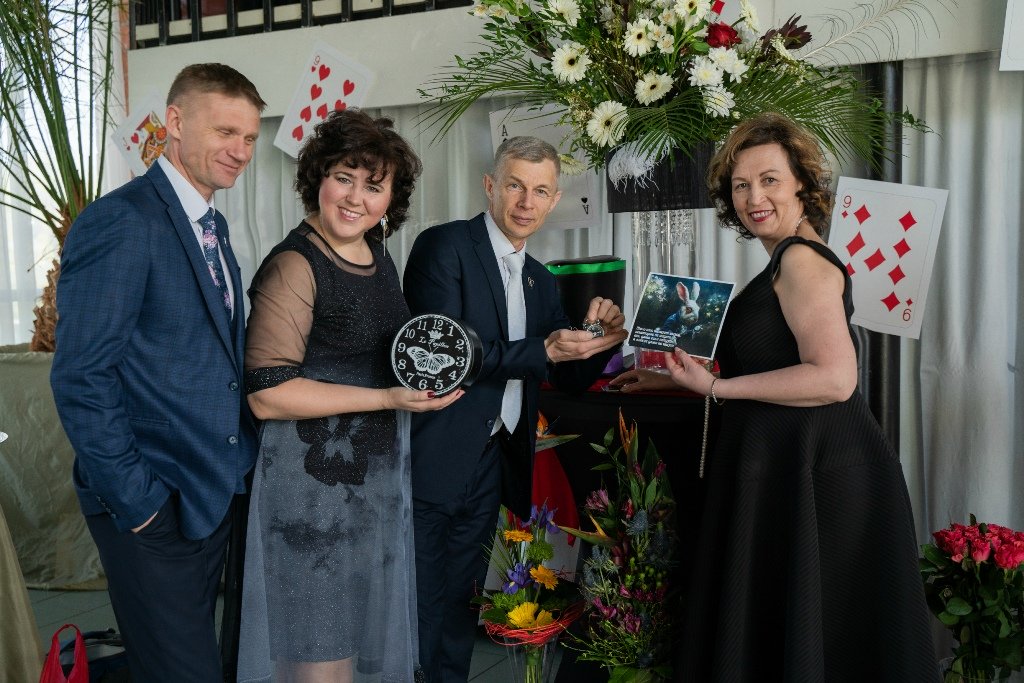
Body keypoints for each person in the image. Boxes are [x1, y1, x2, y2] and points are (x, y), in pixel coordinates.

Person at [614, 112, 937, 681]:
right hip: (793, 468)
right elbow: (773, 360)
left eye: (769, 180)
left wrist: (716, 387)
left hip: (819, 473)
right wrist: (677, 376)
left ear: (802, 185)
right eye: (740, 185)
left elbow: (834, 378)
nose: (753, 197)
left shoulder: (801, 260)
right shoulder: (786, 257)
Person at [50, 63, 265, 680]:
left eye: (250, 137)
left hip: (211, 492)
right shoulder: (121, 220)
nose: (241, 151)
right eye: (225, 131)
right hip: (153, 501)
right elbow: (81, 376)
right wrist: (138, 500)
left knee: (173, 667)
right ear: (174, 122)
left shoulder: (212, 225)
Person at [235, 109, 462, 683]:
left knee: (349, 658)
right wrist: (388, 399)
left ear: (391, 200)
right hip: (309, 495)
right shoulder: (295, 264)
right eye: (344, 177)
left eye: (374, 185)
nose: (356, 197)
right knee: (318, 658)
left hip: (369, 490)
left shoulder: (377, 254)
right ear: (318, 176)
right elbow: (267, 394)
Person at [403, 136, 628, 683]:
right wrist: (545, 348)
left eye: (540, 191)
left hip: (493, 459)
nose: (527, 202)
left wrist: (600, 340)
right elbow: (443, 355)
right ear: (490, 186)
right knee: (418, 604)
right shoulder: (444, 246)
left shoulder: (540, 279)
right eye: (515, 186)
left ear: (554, 200)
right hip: (433, 456)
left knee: (461, 602)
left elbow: (561, 375)